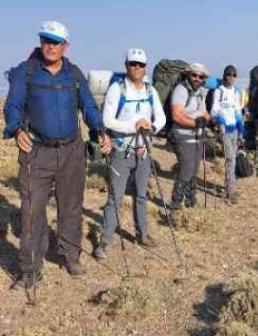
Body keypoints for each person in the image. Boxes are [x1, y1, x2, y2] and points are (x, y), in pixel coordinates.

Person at [3, 21, 112, 285]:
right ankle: (29, 270)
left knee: (72, 206)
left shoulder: (74, 74)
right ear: (40, 42)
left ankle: (70, 256)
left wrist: (100, 130)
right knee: (32, 210)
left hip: (72, 151)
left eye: (56, 42)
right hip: (36, 151)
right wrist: (17, 131)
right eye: (46, 40)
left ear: (66, 46)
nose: (50, 46)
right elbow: (12, 106)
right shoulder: (25, 72)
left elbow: (88, 106)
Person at [93, 48, 166, 259]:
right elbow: (107, 120)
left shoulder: (150, 91)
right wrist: (135, 126)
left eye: (140, 64)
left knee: (141, 195)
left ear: (146, 67)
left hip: (143, 151)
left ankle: (142, 234)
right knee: (115, 197)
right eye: (133, 63)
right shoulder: (118, 89)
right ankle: (105, 240)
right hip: (121, 152)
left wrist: (150, 127)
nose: (137, 67)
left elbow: (160, 118)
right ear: (126, 65)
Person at [169, 63, 211, 210]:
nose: (197, 78)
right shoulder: (181, 90)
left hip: (197, 136)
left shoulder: (200, 92)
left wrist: (207, 121)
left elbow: (204, 112)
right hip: (182, 135)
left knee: (194, 170)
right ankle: (176, 203)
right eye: (194, 75)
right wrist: (196, 123)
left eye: (200, 76)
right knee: (186, 168)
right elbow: (176, 115)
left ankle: (191, 200)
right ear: (188, 75)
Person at [211, 65, 245, 202]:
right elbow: (214, 110)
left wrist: (241, 129)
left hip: (234, 130)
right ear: (224, 76)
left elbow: (237, 111)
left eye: (233, 75)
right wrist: (220, 121)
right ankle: (230, 191)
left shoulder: (236, 92)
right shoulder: (219, 91)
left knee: (233, 159)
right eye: (228, 75)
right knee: (229, 159)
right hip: (224, 130)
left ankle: (231, 187)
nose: (231, 78)